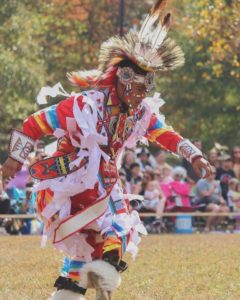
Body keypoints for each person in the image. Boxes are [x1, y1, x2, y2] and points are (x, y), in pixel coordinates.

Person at [2, 1, 212, 299]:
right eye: (137, 88)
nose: (141, 96)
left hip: (105, 180)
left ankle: (86, 285)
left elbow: (163, 133)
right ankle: (101, 276)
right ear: (123, 79)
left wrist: (194, 154)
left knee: (105, 235)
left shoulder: (140, 112)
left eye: (145, 89)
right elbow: (35, 123)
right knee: (106, 228)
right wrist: (14, 158)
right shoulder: (84, 104)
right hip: (71, 181)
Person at [195, 167, 229, 232]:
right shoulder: (202, 182)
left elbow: (219, 195)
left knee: (226, 209)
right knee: (216, 208)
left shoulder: (216, 183)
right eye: (211, 172)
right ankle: (207, 227)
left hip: (214, 203)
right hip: (202, 203)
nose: (213, 174)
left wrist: (222, 201)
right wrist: (212, 189)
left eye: (214, 173)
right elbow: (204, 195)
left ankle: (212, 225)